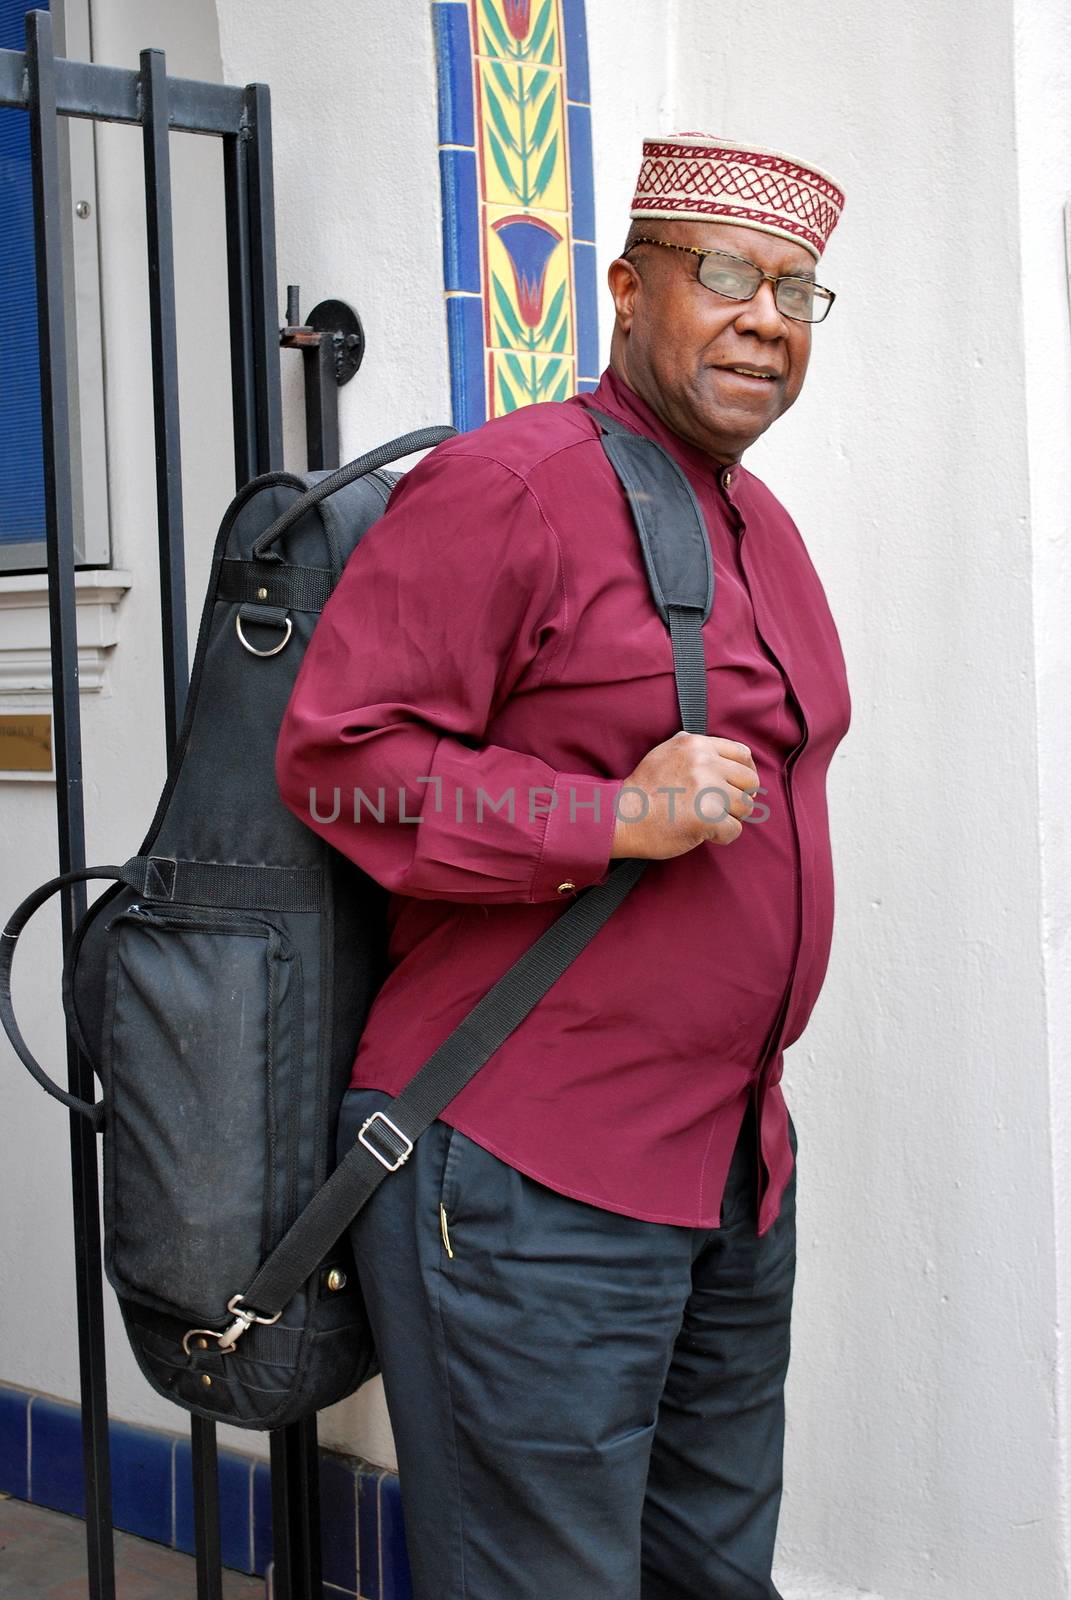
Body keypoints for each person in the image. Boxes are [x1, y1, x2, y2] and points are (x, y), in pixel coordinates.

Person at [275, 132, 851, 1600]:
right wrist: (608, 818)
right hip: (531, 1175)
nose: (765, 318)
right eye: (723, 275)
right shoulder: (511, 484)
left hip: (728, 1172)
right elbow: (339, 760)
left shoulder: (763, 524)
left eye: (796, 291)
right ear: (625, 289)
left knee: (711, 1580)